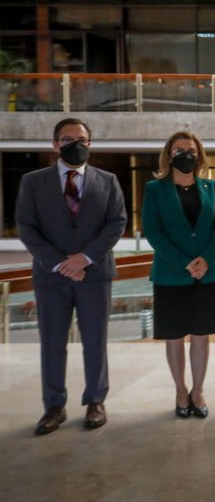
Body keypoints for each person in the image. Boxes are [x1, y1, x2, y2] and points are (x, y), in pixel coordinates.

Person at [15, 118, 127, 436]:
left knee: (95, 342)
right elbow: (26, 226)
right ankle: (54, 406)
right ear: (55, 145)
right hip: (51, 277)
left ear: (90, 144)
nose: (75, 144)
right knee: (52, 344)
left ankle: (95, 401)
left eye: (82, 139)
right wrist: (60, 263)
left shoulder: (108, 180)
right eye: (67, 139)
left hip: (95, 274)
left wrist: (85, 258)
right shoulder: (33, 182)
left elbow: (117, 222)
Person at [141, 131, 215, 418]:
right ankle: (180, 390)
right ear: (169, 155)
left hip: (207, 274)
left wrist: (206, 259)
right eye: (179, 150)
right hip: (170, 275)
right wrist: (185, 263)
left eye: (191, 150)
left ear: (199, 155)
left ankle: (198, 390)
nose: (186, 155)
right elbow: (153, 232)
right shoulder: (155, 189)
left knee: (201, 335)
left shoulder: (211, 187)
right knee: (175, 336)